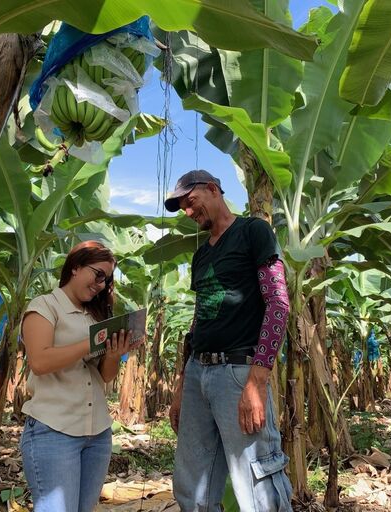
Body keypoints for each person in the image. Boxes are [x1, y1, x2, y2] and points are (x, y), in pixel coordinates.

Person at [164, 170, 292, 511]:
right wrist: (182, 382)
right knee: (193, 485)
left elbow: (278, 303)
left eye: (190, 203)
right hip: (197, 372)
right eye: (182, 209)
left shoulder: (253, 231)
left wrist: (257, 379)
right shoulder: (201, 254)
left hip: (238, 370)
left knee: (257, 481)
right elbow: (199, 317)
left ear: (212, 189)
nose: (189, 213)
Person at [20, 241, 131, 512]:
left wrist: (115, 353)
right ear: (76, 268)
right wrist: (90, 344)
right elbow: (40, 361)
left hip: (98, 432)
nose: (102, 284)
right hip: (54, 430)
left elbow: (105, 376)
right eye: (99, 274)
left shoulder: (95, 315)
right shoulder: (44, 306)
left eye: (107, 279)